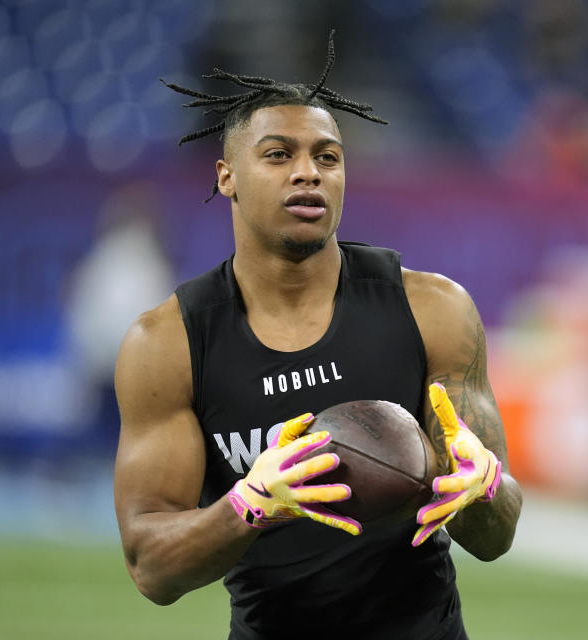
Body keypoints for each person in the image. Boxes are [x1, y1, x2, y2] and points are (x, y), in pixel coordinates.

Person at [113, 34, 522, 639]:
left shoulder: (432, 308)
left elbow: (497, 536)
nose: (308, 172)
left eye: (327, 158)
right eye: (278, 155)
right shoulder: (168, 343)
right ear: (226, 176)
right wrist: (247, 505)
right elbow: (151, 569)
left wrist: (483, 490)